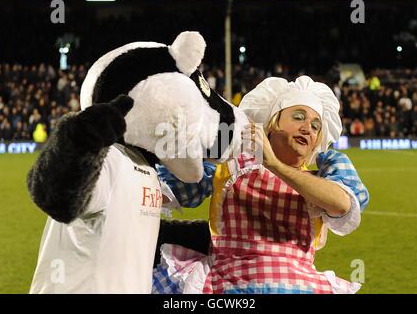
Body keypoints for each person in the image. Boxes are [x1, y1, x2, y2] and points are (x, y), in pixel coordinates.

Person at [153, 76, 369, 294]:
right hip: (228, 283)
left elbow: (342, 204)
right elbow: (167, 190)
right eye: (298, 117)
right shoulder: (231, 162)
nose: (308, 128)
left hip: (300, 285)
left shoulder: (322, 176)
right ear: (272, 123)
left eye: (315, 126)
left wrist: (274, 164)